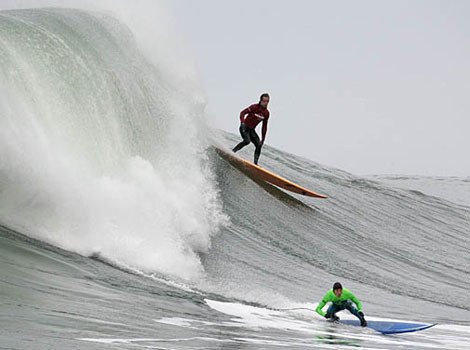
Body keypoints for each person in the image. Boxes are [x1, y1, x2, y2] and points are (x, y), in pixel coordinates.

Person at [232, 93, 270, 165]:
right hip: (244, 127)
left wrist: (263, 139)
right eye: (264, 101)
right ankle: (232, 152)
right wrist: (242, 122)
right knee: (247, 141)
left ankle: (255, 164)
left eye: (267, 101)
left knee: (259, 145)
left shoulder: (266, 113)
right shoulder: (254, 107)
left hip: (251, 130)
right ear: (260, 101)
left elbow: (264, 127)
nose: (266, 103)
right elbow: (242, 113)